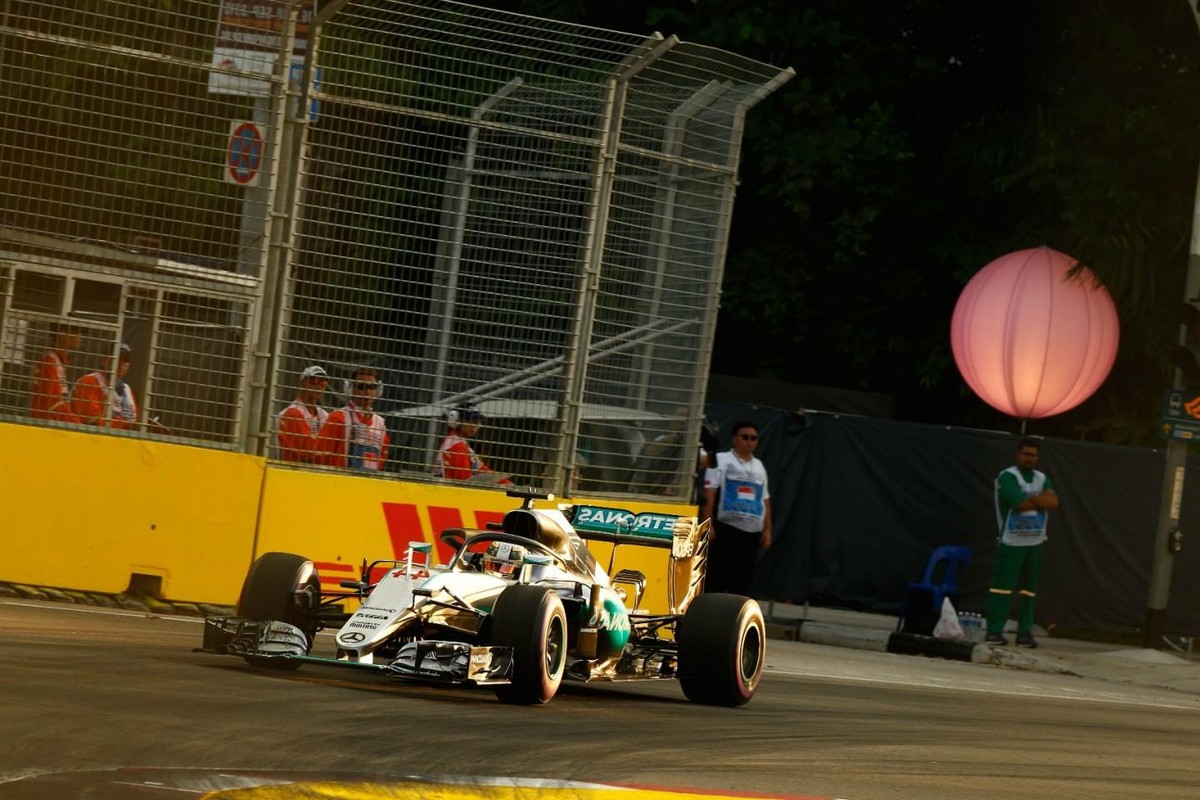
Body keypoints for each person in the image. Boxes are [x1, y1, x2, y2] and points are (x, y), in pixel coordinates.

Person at [985, 436, 1059, 648]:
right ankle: (994, 631)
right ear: (1018, 454)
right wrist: (1039, 499)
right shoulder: (1007, 476)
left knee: (1029, 590)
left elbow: (1053, 502)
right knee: (1002, 588)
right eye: (1026, 454)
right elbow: (1019, 503)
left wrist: (1032, 499)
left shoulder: (1041, 477)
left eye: (1033, 455)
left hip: (1035, 541)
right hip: (1011, 540)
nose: (1029, 458)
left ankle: (1024, 633)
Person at [700, 420, 772, 595]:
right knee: (718, 575)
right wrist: (708, 523)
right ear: (734, 439)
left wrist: (767, 530)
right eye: (745, 437)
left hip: (752, 532)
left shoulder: (759, 466)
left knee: (742, 579)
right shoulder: (721, 460)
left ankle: (736, 615)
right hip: (726, 529)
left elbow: (765, 499)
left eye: (753, 438)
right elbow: (709, 492)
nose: (749, 441)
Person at [316, 366, 389, 471]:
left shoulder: (380, 424)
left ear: (378, 390)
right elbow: (321, 455)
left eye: (372, 387)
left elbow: (382, 459)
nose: (367, 391)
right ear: (350, 389)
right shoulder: (338, 418)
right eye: (361, 386)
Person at [433, 406, 510, 484]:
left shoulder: (457, 442)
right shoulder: (457, 445)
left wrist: (509, 485)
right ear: (456, 421)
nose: (474, 426)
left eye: (477, 422)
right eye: (470, 421)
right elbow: (464, 480)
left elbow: (481, 469)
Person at [70, 343, 137, 429]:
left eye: (126, 360)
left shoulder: (127, 390)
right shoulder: (89, 382)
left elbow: (134, 422)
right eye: (117, 358)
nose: (121, 363)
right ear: (104, 360)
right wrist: (125, 424)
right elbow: (92, 422)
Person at [275, 365, 330, 464]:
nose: (317, 386)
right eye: (312, 381)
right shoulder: (290, 413)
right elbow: (309, 452)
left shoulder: (325, 416)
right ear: (302, 383)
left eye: (322, 382)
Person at [30, 323, 81, 424]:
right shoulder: (49, 361)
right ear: (63, 335)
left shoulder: (58, 361)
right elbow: (53, 403)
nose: (80, 337)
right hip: (44, 426)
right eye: (76, 333)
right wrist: (76, 424)